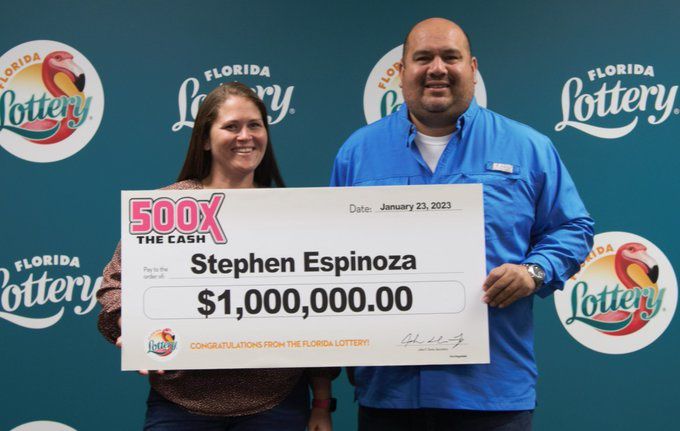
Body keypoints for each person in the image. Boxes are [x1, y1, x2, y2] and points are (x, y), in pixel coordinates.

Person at [330, 18, 594, 431]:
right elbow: (331, 254)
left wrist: (533, 271)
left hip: (492, 392)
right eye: (423, 58)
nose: (437, 68)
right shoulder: (357, 153)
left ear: (472, 68)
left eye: (450, 57)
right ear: (401, 72)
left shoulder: (528, 147)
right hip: (389, 393)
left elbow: (573, 228)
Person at [98, 82, 337, 431]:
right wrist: (130, 324)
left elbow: (318, 314)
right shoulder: (168, 207)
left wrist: (322, 403)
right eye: (231, 126)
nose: (245, 136)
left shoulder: (291, 212)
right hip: (181, 404)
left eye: (254, 125)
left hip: (277, 404)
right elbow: (114, 284)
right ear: (206, 140)